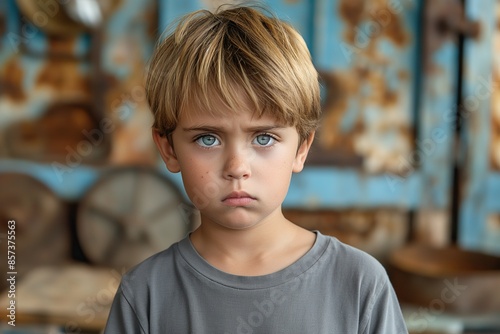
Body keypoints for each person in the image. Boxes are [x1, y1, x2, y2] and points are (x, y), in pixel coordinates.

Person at [104, 5, 408, 334]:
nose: (237, 168)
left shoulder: (360, 284)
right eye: (207, 139)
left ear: (302, 147)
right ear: (168, 148)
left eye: (263, 138)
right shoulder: (145, 295)